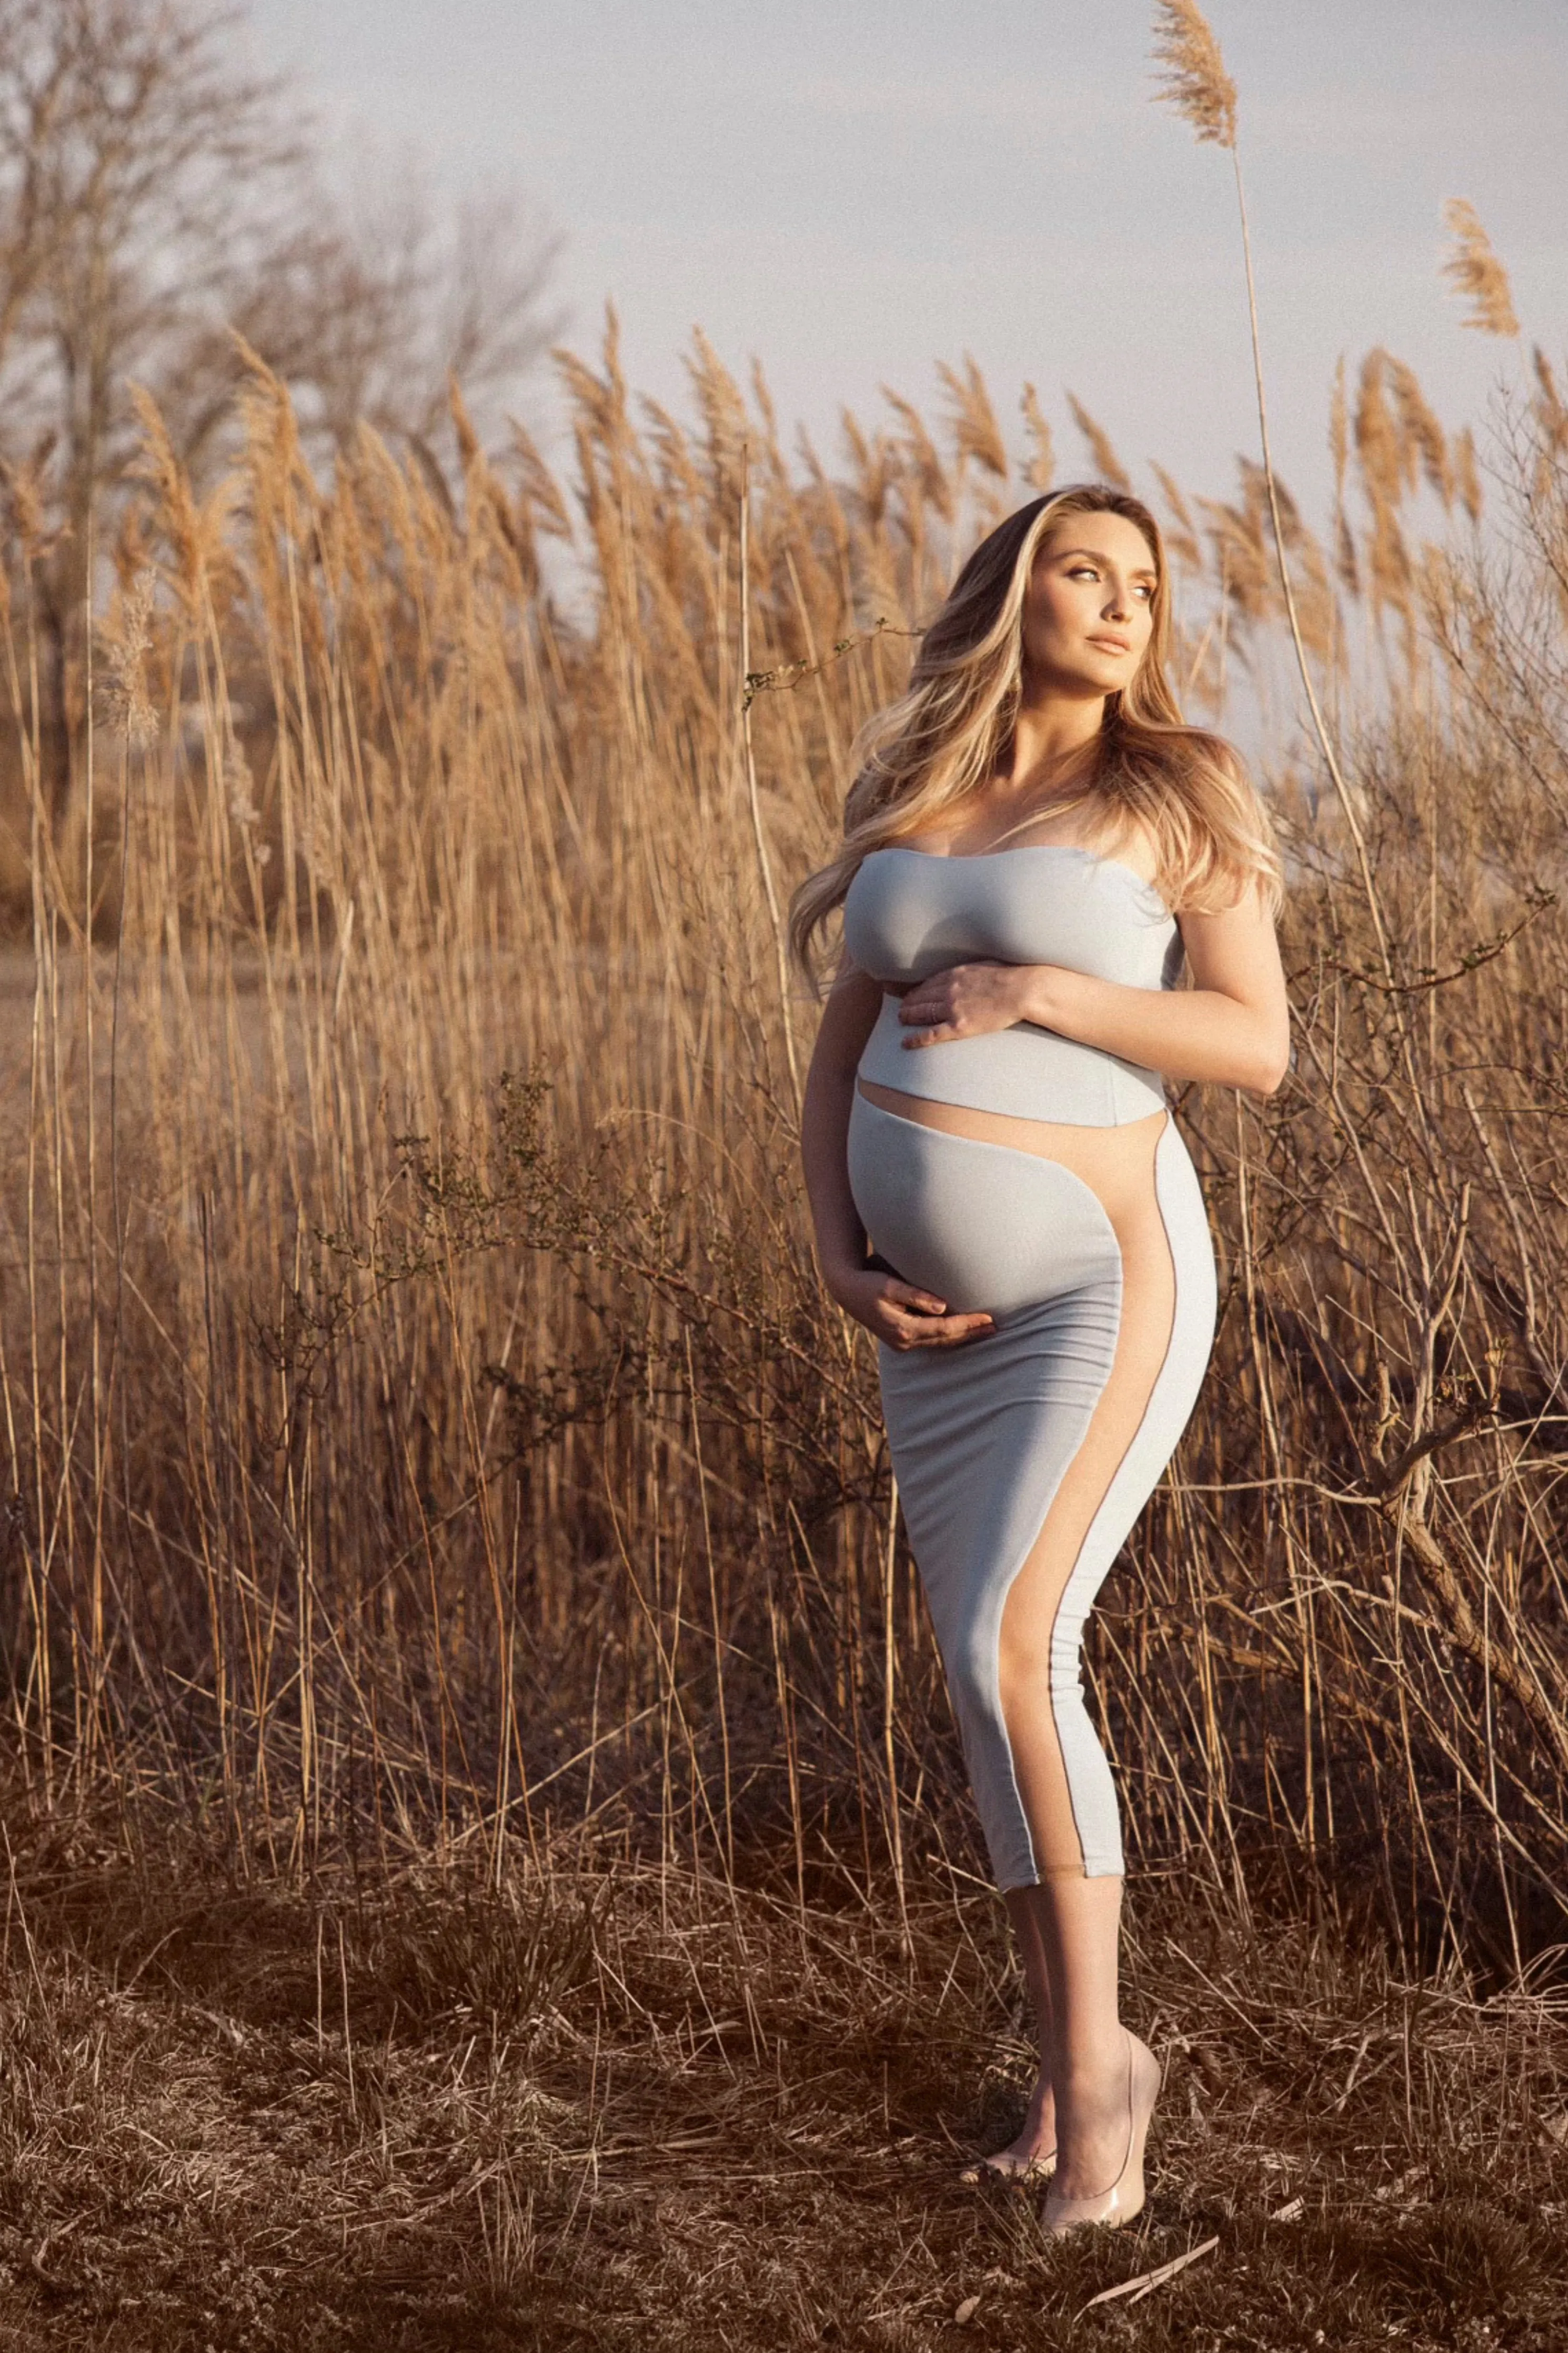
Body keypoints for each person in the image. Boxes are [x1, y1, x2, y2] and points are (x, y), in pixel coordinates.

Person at [790, 485, 1289, 2235]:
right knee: (980, 1668)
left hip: (1102, 1274)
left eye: (1144, 581)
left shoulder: (1177, 789)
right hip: (931, 1325)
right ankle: (1079, 2064)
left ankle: (1098, 2097)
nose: (1123, 603)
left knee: (1017, 1642)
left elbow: (1255, 1043)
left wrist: (1040, 994)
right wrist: (835, 1246)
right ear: (1014, 593)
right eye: (1086, 571)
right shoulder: (916, 792)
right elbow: (841, 1044)